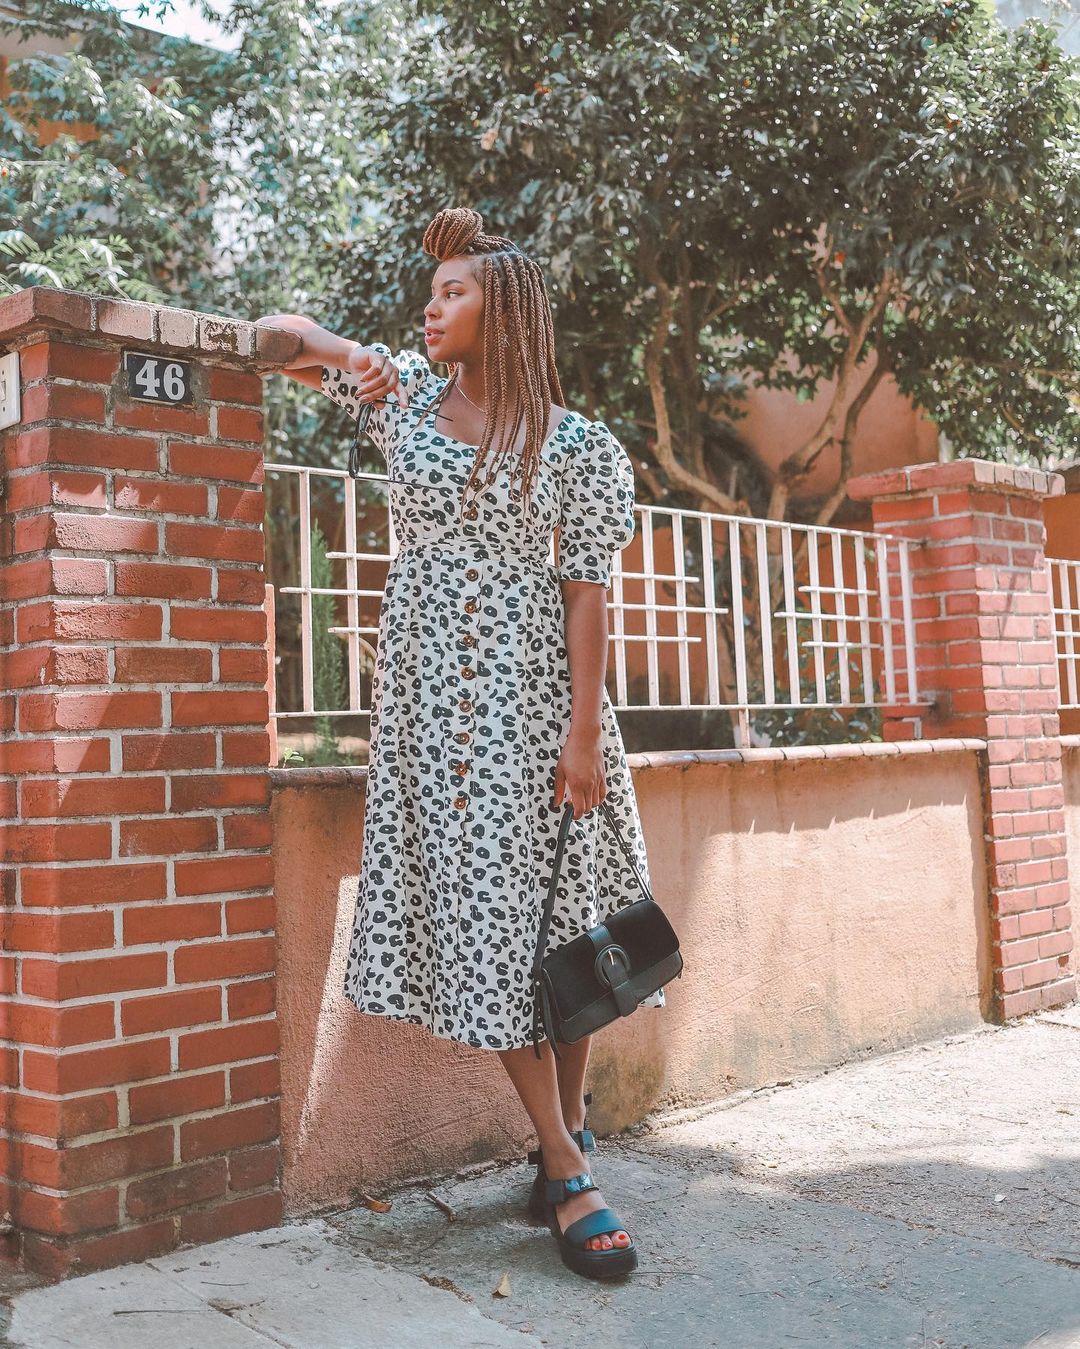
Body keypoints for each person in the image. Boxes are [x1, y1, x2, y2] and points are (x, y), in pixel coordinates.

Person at [258, 205, 664, 1281]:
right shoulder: (409, 407)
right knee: (487, 926)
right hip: (437, 719)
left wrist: (583, 731)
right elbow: (288, 337)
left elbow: (587, 593)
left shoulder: (578, 445)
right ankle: (571, 1164)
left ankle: (558, 1144)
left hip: (542, 708)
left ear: (509, 309)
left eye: (455, 293)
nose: (431, 309)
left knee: (563, 924)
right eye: (428, 292)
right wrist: (356, 357)